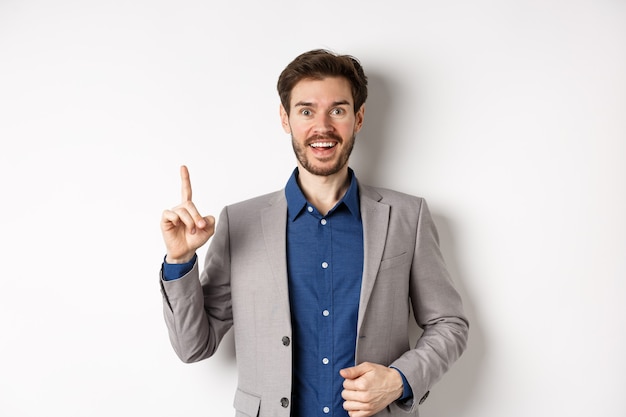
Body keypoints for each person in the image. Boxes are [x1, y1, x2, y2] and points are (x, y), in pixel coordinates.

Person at [159, 49, 469, 417]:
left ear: (359, 117)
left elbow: (448, 323)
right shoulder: (239, 222)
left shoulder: (407, 216)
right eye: (306, 111)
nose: (322, 127)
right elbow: (193, 347)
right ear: (285, 118)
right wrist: (180, 260)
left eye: (337, 110)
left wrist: (400, 379)